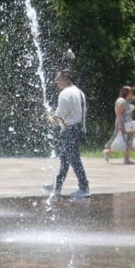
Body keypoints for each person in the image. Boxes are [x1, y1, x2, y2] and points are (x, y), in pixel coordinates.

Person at [47, 69, 90, 199]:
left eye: (58, 78)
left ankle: (84, 188)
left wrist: (51, 119)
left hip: (70, 130)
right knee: (65, 159)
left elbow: (61, 113)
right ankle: (56, 186)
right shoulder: (79, 92)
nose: (56, 81)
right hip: (78, 128)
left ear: (65, 79)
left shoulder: (65, 93)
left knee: (74, 159)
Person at [103, 86, 135, 164]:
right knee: (120, 139)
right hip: (123, 123)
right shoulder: (122, 101)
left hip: (128, 125)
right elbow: (118, 113)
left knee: (129, 140)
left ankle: (126, 159)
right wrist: (120, 125)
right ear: (127, 93)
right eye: (131, 92)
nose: (132, 94)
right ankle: (107, 151)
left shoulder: (126, 101)